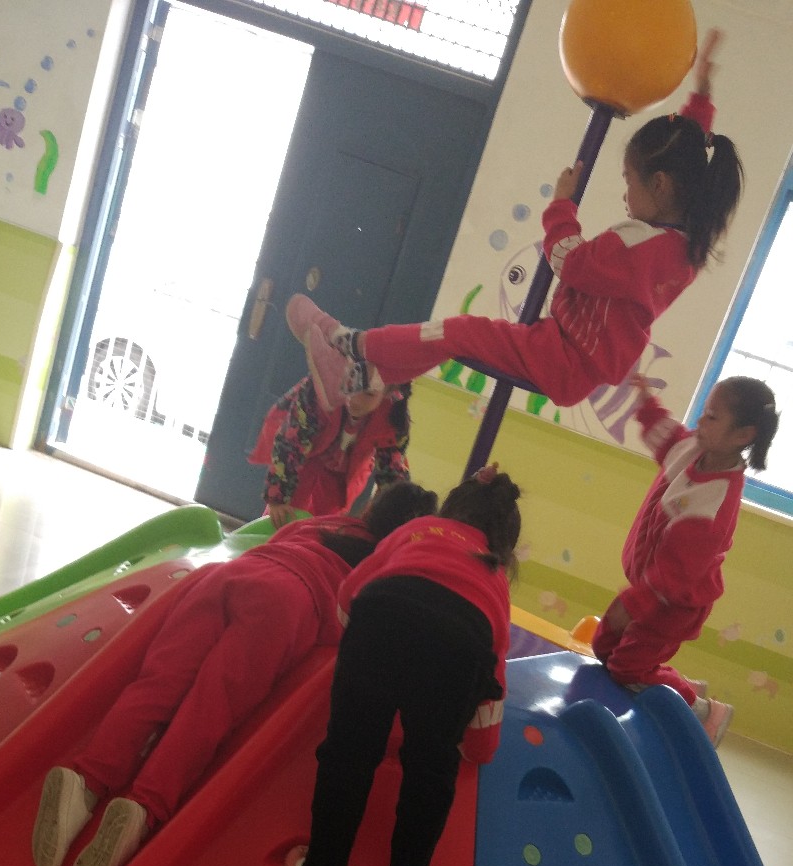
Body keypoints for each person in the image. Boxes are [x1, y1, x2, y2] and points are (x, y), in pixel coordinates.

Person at [285, 32, 742, 413]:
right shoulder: (688, 246)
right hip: (569, 356)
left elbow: (568, 261)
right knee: (453, 339)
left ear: (659, 184)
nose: (625, 196)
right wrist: (701, 96)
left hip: (561, 357)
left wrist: (561, 206)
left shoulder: (638, 247)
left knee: (456, 332)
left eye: (629, 181)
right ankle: (362, 375)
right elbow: (687, 158)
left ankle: (353, 346)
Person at [32, 480, 438, 866]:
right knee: (210, 705)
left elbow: (278, 540)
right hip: (286, 601)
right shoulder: (383, 570)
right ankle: (143, 806)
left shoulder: (322, 524)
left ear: (370, 510)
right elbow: (351, 624)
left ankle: (87, 780)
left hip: (231, 575)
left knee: (159, 682)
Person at [284, 464, 521, 866]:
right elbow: (492, 677)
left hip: (382, 615)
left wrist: (351, 647)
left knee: (349, 753)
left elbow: (351, 592)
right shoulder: (493, 572)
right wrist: (481, 747)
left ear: (452, 508)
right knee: (432, 768)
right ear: (503, 540)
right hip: (460, 644)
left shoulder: (419, 529)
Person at [592, 373, 779, 746]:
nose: (701, 421)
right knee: (604, 647)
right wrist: (645, 402)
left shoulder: (714, 499)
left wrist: (634, 603)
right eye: (705, 411)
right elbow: (666, 437)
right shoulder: (693, 447)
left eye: (712, 416)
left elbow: (677, 574)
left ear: (743, 435)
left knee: (626, 668)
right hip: (649, 588)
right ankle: (671, 680)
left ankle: (704, 710)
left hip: (674, 603)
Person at [248, 372, 412, 528]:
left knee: (324, 526)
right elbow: (290, 442)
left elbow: (392, 474)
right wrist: (277, 498)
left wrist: (395, 519)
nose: (356, 399)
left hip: (344, 475)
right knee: (280, 516)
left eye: (369, 394)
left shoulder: (393, 418)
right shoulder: (318, 390)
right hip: (305, 459)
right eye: (352, 384)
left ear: (389, 391)